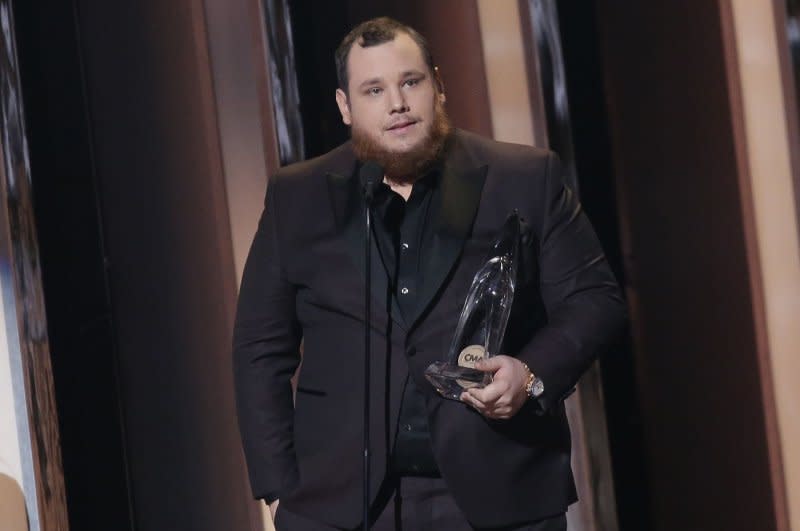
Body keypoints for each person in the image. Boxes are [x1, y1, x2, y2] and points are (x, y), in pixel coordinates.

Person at [233, 16, 626, 531]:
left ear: (438, 85)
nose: (396, 103)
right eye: (373, 90)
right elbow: (260, 348)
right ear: (345, 107)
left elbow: (595, 300)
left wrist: (529, 374)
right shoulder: (297, 197)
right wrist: (281, 487)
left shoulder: (525, 177)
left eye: (410, 82)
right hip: (340, 504)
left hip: (499, 494)